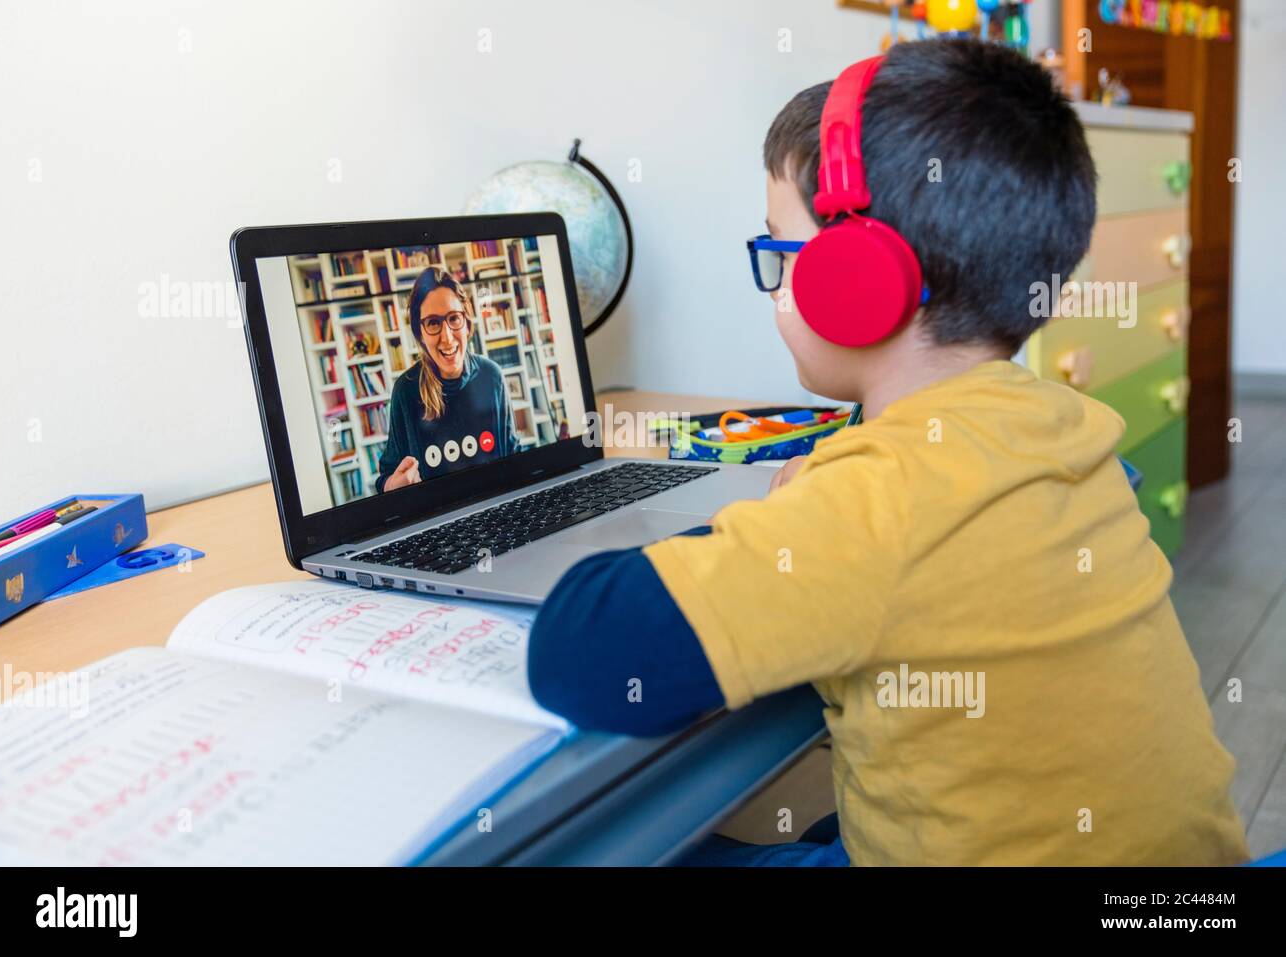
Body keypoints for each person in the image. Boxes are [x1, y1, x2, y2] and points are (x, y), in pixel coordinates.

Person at [525, 40, 1248, 866]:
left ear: (855, 277)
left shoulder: (876, 502)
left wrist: (781, 520)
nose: (774, 286)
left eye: (778, 255)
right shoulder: (1068, 423)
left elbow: (579, 652)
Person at [375, 267, 521, 494]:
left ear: (467, 322)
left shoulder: (492, 376)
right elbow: (386, 478)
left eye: (454, 318)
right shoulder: (406, 390)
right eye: (433, 323)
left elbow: (513, 456)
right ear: (420, 333)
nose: (447, 337)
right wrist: (394, 485)